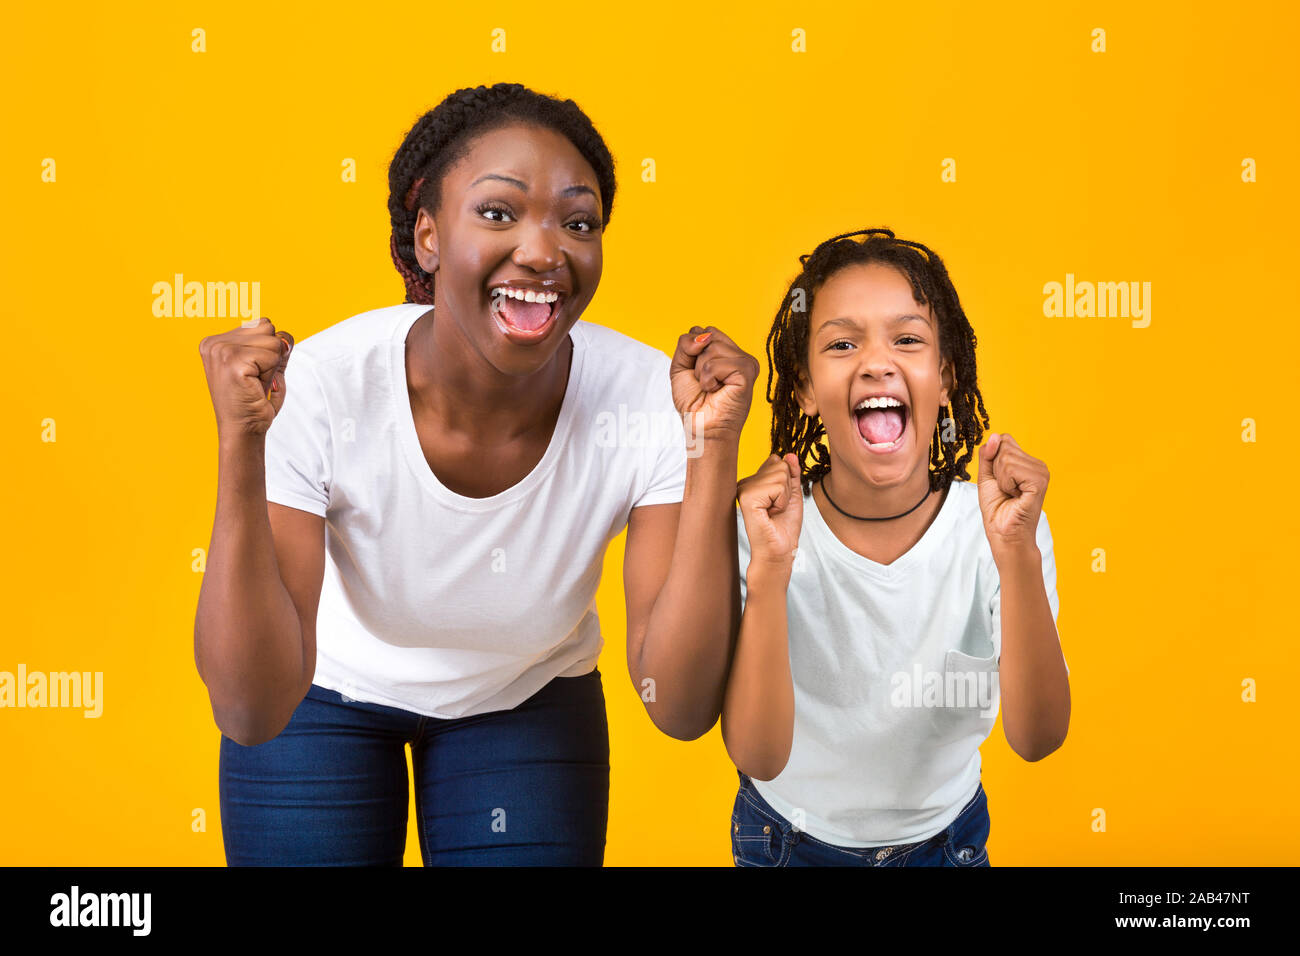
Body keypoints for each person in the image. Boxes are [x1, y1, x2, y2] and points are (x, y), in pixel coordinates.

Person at [194, 82, 758, 865]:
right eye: (498, 212)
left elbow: (682, 705)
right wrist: (240, 445)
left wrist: (712, 451)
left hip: (523, 697)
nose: (543, 250)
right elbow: (252, 711)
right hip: (321, 692)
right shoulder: (323, 384)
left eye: (578, 221)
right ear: (427, 236)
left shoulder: (649, 399)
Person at [722, 228, 1070, 866]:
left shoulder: (999, 528)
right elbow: (758, 755)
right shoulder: (764, 526)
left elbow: (1038, 736)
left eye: (907, 339)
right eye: (842, 343)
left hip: (948, 844)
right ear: (802, 386)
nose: (877, 361)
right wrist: (771, 572)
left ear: (945, 378)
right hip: (785, 844)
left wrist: (1016, 554)